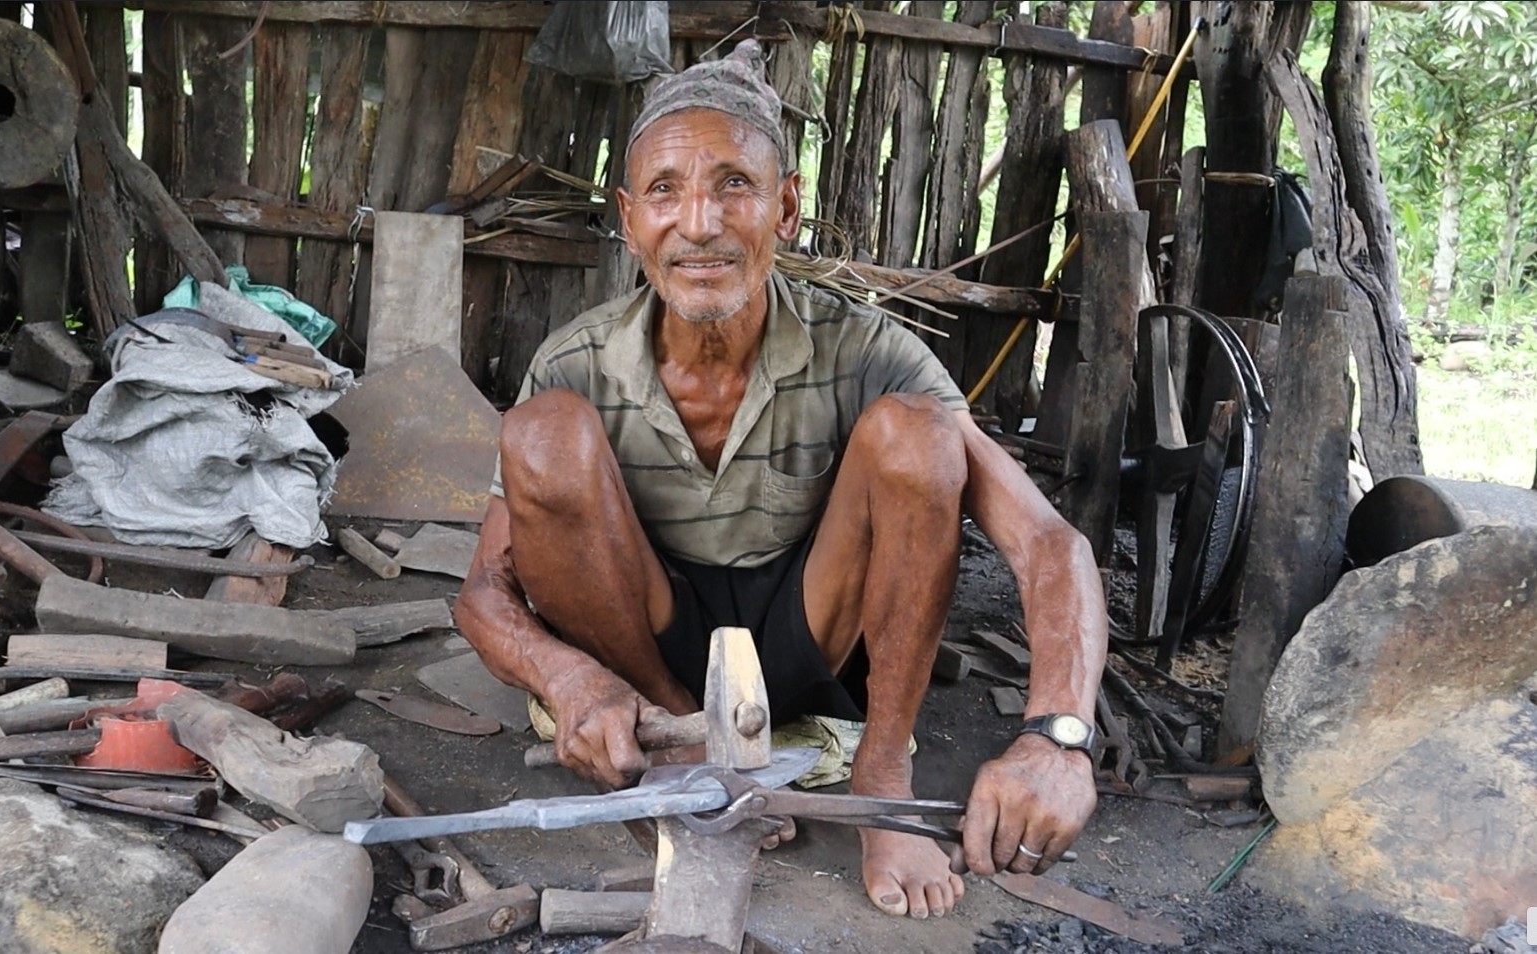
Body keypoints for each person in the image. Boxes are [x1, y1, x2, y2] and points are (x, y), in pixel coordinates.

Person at [454, 39, 1107, 921]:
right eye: (664, 191)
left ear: (786, 208)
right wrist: (567, 679)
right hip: (643, 642)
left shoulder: (868, 349)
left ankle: (880, 775)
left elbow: (1045, 543)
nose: (699, 223)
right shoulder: (576, 363)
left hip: (809, 638)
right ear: (627, 218)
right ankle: (678, 745)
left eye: (733, 184)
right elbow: (484, 595)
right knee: (540, 435)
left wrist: (1058, 738)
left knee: (918, 436)